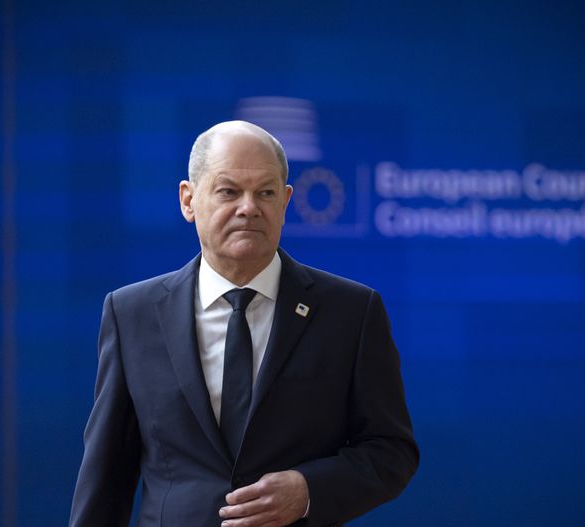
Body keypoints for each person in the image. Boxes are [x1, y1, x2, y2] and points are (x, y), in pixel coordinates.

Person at [70, 121, 418, 526]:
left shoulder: (351, 312)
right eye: (229, 191)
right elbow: (106, 475)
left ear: (286, 202)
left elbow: (391, 451)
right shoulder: (132, 313)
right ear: (188, 200)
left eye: (265, 193)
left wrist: (309, 491)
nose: (249, 207)